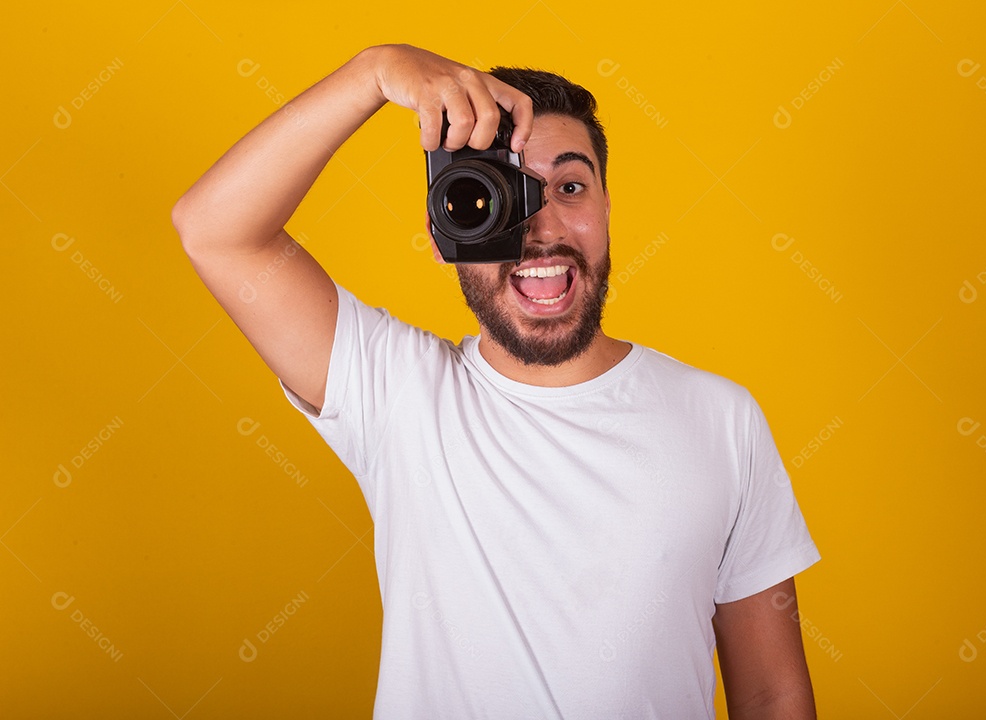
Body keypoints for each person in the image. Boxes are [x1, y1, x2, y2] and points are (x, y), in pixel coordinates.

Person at [173, 43, 821, 719]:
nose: (540, 228)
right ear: (444, 228)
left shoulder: (722, 419)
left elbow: (772, 694)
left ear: (606, 210)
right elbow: (215, 230)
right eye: (494, 193)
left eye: (570, 188)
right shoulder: (397, 392)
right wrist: (376, 70)